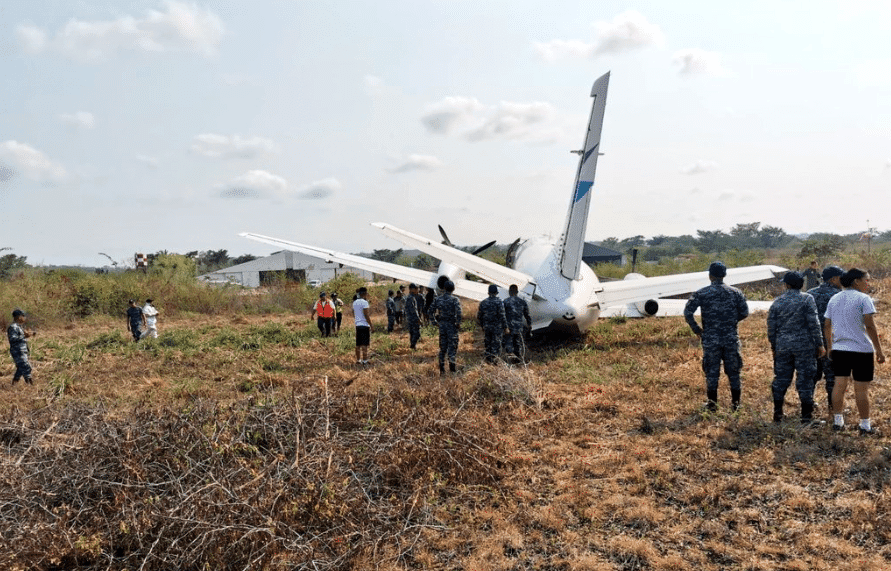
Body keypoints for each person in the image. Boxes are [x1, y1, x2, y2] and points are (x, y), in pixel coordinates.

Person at [825, 268, 885, 434]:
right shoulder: (864, 299)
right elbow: (870, 325)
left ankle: (838, 422)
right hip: (861, 350)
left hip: (840, 349)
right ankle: (865, 425)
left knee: (839, 385)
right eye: (866, 279)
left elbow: (827, 324)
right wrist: (879, 350)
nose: (868, 283)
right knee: (861, 389)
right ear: (856, 281)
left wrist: (830, 346)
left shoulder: (834, 299)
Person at [684, 261, 750, 412]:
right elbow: (745, 312)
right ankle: (736, 404)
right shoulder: (736, 292)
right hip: (730, 338)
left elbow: (688, 312)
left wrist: (697, 330)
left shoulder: (702, 293)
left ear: (710, 276)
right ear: (724, 275)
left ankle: (712, 405)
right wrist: (732, 321)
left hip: (710, 338)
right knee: (734, 372)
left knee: (712, 372)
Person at [767, 272, 825, 424]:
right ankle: (806, 417)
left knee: (781, 379)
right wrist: (820, 344)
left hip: (783, 346)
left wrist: (774, 345)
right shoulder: (807, 299)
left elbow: (771, 327)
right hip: (804, 346)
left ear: (787, 285)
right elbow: (814, 323)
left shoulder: (777, 302)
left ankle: (777, 414)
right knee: (805, 380)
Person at [807, 265, 844, 414]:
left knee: (812, 375)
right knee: (832, 376)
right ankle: (833, 407)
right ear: (834, 278)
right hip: (832, 341)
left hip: (812, 342)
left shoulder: (809, 294)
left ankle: (808, 404)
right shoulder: (839, 295)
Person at [430, 280, 462, 374]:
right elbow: (459, 313)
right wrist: (458, 324)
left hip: (442, 326)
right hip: (452, 326)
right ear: (453, 289)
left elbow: (430, 311)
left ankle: (442, 370)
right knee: (452, 347)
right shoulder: (455, 300)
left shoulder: (438, 299)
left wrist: (434, 322)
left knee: (443, 348)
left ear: (444, 288)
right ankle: (452, 369)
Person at [477, 284, 507, 364]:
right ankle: (495, 361)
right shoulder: (499, 302)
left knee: (488, 343)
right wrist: (505, 327)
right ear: (497, 293)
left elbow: (479, 316)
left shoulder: (483, 302)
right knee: (496, 344)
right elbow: (502, 316)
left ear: (488, 292)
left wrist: (482, 325)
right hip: (497, 328)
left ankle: (488, 360)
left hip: (487, 327)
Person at [503, 284, 532, 362]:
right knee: (517, 343)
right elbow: (527, 315)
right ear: (517, 292)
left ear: (509, 291)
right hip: (519, 327)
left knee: (509, 342)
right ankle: (518, 359)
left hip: (508, 327)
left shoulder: (505, 301)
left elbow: (502, 315)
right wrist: (529, 325)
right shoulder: (522, 302)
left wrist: (504, 326)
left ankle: (509, 361)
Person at [7, 309, 35, 385]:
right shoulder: (13, 327)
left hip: (21, 351)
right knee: (27, 367)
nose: (24, 318)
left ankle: (14, 384)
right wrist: (24, 336)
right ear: (19, 317)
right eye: (23, 316)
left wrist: (28, 335)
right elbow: (12, 339)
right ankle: (30, 385)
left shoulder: (19, 327)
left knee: (21, 368)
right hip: (17, 351)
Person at [353, 287, 374, 365]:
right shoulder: (365, 302)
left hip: (358, 325)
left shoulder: (354, 302)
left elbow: (354, 314)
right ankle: (365, 361)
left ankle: (358, 360)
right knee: (364, 344)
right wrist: (371, 325)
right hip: (364, 325)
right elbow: (366, 315)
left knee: (358, 344)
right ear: (364, 293)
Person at [404, 283, 423, 349]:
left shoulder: (410, 297)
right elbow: (414, 310)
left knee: (412, 333)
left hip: (410, 319)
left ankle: (413, 346)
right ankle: (413, 345)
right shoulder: (411, 298)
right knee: (417, 334)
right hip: (413, 319)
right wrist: (418, 319)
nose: (418, 290)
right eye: (416, 289)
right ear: (412, 289)